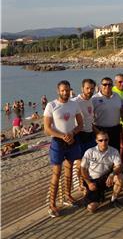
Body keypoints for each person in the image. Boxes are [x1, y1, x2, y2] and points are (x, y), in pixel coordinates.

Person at [44, 80, 83, 217]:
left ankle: (67, 196)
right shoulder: (51, 105)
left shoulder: (74, 104)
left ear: (70, 90)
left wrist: (72, 133)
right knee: (56, 173)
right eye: (62, 90)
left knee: (69, 169)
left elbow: (80, 124)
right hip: (57, 143)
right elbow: (47, 129)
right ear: (58, 91)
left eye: (67, 90)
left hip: (72, 140)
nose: (65, 93)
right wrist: (62, 136)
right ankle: (52, 204)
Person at [81, 130, 123, 213]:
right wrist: (88, 183)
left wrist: (112, 174)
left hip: (106, 178)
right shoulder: (90, 152)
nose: (103, 142)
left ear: (108, 140)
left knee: (121, 177)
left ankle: (113, 200)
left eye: (106, 140)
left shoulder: (114, 151)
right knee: (91, 208)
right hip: (93, 181)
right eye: (100, 140)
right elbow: (83, 169)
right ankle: (97, 196)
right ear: (96, 141)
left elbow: (119, 166)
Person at [72, 79, 97, 192]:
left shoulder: (91, 100)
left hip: (90, 132)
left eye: (92, 88)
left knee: (89, 160)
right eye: (87, 88)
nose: (89, 90)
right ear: (82, 88)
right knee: (79, 161)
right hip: (79, 134)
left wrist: (96, 131)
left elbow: (90, 118)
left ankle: (87, 182)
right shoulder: (75, 102)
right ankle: (79, 184)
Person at [92, 77, 123, 153]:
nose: (107, 86)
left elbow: (122, 112)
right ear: (100, 86)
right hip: (100, 130)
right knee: (101, 152)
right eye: (105, 84)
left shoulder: (117, 96)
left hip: (115, 129)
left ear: (112, 86)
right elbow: (88, 116)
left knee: (115, 152)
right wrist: (95, 130)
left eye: (109, 84)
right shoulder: (94, 99)